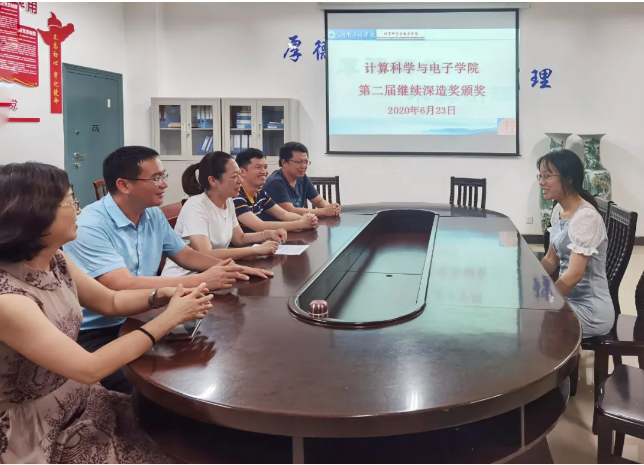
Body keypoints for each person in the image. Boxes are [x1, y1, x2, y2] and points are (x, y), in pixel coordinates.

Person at [0, 162, 213, 462]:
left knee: (185, 432)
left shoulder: (55, 258)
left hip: (79, 399)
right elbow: (89, 368)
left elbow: (110, 301)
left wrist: (158, 297)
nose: (79, 209)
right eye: (70, 201)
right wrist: (170, 317)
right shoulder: (9, 299)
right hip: (35, 429)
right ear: (33, 214)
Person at [63, 146, 272, 393]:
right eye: (156, 178)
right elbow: (121, 284)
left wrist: (230, 269)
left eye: (163, 176)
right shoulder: (90, 225)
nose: (164, 184)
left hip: (141, 314)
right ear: (124, 185)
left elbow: (185, 254)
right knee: (158, 386)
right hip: (99, 330)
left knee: (213, 355)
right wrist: (203, 280)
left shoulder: (152, 214)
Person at [162, 151, 288, 276]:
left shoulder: (228, 201)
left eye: (239, 175)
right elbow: (206, 253)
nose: (240, 180)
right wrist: (255, 250)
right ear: (213, 181)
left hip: (215, 272)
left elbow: (240, 238)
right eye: (234, 176)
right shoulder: (196, 206)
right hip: (185, 277)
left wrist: (268, 234)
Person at [538, 149, 614, 337]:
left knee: (532, 322)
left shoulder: (585, 218)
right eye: (540, 176)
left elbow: (574, 275)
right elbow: (551, 259)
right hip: (568, 298)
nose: (541, 182)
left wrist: (546, 301)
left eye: (547, 176)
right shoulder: (559, 209)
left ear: (569, 178)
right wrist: (531, 282)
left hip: (590, 309)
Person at [234, 148, 318, 232]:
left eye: (265, 167)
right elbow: (259, 226)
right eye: (258, 167)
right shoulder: (236, 196)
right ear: (242, 172)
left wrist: (306, 219)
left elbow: (284, 214)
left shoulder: (260, 193)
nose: (264, 171)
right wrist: (300, 224)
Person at [263, 142, 341, 217]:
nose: (304, 166)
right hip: (278, 225)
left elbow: (318, 201)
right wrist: (324, 211)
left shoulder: (302, 178)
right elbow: (290, 211)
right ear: (284, 162)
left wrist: (330, 208)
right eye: (299, 162)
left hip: (298, 223)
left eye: (306, 162)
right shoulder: (275, 182)